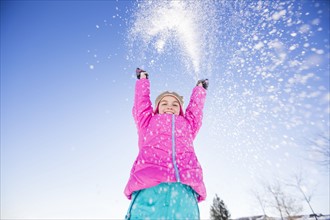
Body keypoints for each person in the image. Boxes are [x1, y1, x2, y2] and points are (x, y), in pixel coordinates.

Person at [124, 68, 209, 219]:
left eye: (175, 105)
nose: (169, 106)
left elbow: (195, 111)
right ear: (156, 109)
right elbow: (141, 105)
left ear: (180, 110)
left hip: (185, 187)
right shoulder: (148, 122)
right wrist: (143, 80)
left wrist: (200, 89)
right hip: (150, 185)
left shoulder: (188, 124)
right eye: (164, 103)